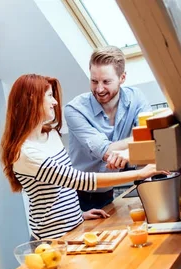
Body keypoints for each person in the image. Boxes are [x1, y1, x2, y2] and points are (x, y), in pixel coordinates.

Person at [0, 74, 163, 239]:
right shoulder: (26, 153)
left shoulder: (52, 135)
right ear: (32, 100)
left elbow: (62, 188)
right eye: (49, 96)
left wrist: (79, 215)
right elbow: (77, 179)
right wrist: (140, 173)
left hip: (74, 230)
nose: (55, 102)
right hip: (52, 240)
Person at [65, 46, 151, 211]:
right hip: (78, 197)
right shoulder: (75, 109)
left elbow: (152, 137)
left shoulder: (136, 98)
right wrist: (137, 141)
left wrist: (130, 150)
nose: (99, 89)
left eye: (106, 82)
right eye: (94, 81)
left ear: (122, 77)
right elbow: (106, 151)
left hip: (107, 190)